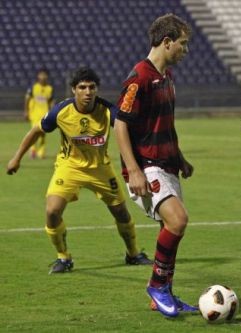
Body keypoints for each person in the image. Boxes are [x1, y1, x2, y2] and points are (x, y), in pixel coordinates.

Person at [7, 67, 152, 274]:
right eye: (82, 87)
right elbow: (36, 131)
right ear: (73, 90)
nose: (87, 91)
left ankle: (133, 254)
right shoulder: (61, 111)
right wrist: (16, 158)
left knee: (121, 212)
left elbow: (128, 132)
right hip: (69, 167)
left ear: (97, 90)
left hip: (101, 168)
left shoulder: (108, 110)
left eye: (92, 87)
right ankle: (64, 257)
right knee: (52, 211)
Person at [114, 14, 197, 317]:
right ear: (167, 42)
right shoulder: (140, 78)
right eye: (183, 44)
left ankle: (164, 294)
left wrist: (180, 158)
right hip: (147, 167)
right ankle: (157, 286)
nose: (185, 51)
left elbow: (162, 126)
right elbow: (120, 125)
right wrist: (134, 170)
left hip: (166, 165)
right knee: (178, 220)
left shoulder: (167, 78)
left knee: (170, 227)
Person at [24, 68, 55, 159]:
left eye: (44, 75)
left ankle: (41, 152)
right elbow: (27, 99)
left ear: (47, 76)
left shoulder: (50, 88)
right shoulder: (33, 87)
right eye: (41, 74)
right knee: (33, 132)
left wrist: (52, 112)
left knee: (43, 133)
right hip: (34, 114)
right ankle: (33, 150)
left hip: (45, 114)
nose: (43, 77)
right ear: (38, 76)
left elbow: (51, 102)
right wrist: (26, 111)